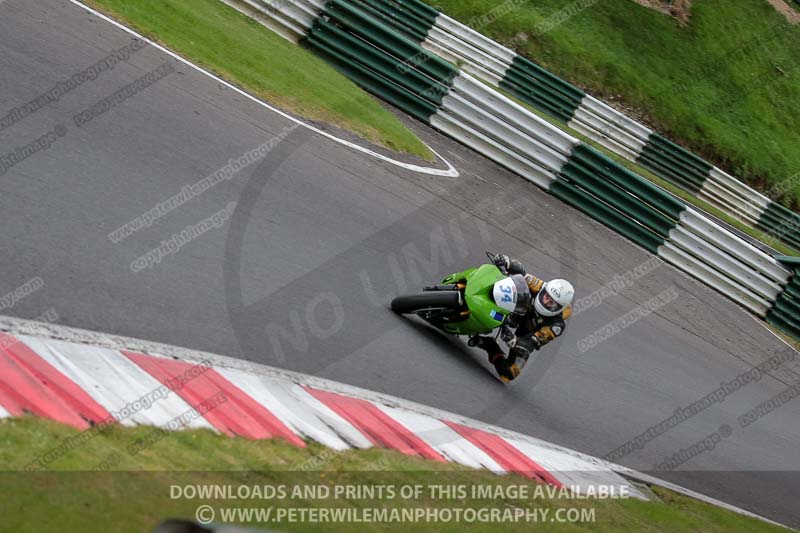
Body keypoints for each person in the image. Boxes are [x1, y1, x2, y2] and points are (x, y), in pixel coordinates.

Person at [470, 254, 574, 383]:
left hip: (526, 333)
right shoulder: (541, 286)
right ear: (545, 290)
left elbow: (534, 342)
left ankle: (490, 345)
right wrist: (507, 262)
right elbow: (523, 274)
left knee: (510, 373)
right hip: (517, 309)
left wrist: (514, 341)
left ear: (559, 308)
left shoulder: (557, 325)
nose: (546, 301)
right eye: (547, 296)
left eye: (552, 303)